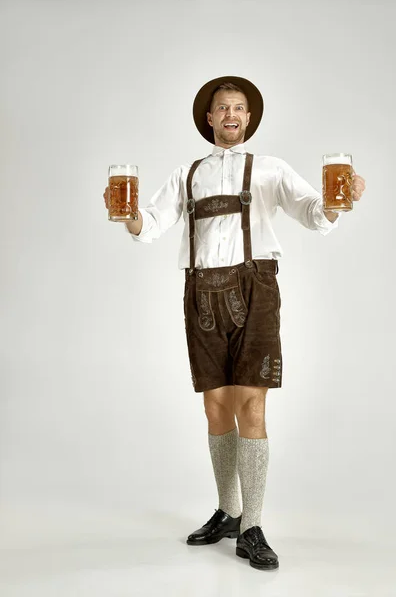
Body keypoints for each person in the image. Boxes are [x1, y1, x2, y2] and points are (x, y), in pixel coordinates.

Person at [103, 76, 366, 571]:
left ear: (248, 119)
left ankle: (254, 525)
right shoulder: (187, 172)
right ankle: (228, 510)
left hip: (256, 288)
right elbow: (150, 224)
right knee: (216, 407)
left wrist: (338, 199)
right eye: (222, 107)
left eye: (239, 108)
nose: (230, 114)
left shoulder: (270, 170)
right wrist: (126, 217)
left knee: (252, 404)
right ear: (209, 118)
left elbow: (315, 213)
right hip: (200, 290)